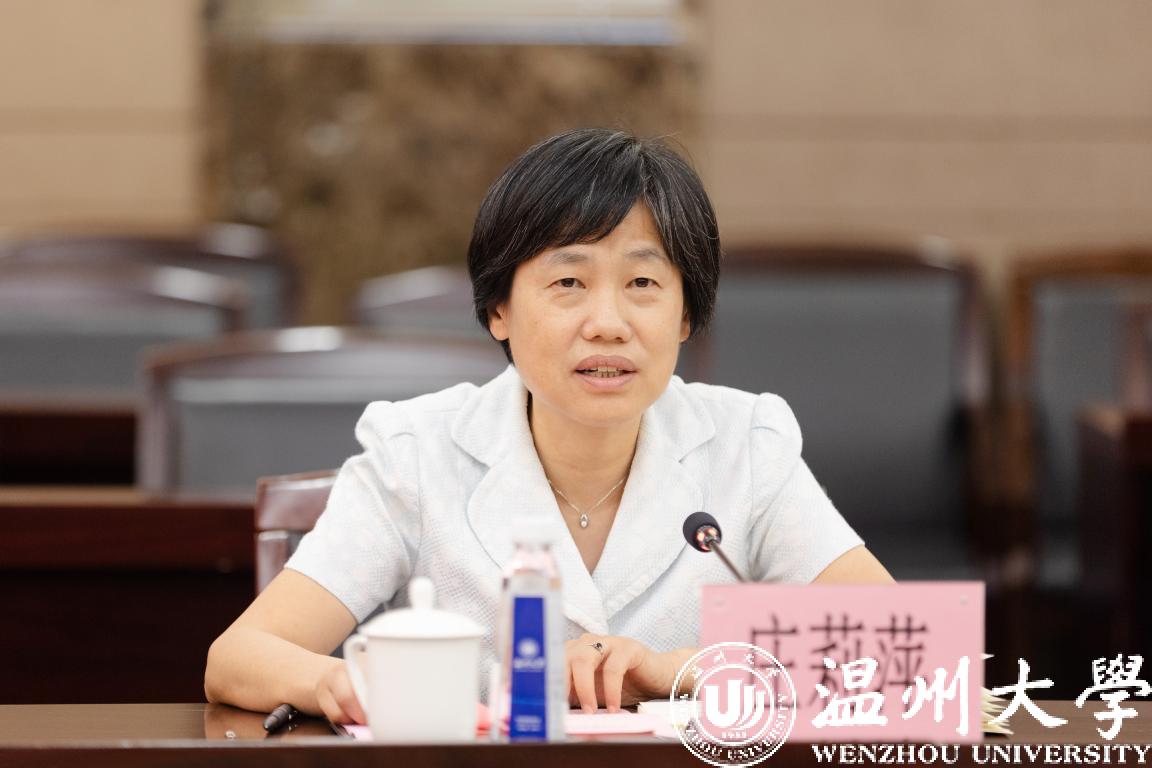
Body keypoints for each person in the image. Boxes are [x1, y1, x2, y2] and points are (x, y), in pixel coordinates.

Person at [204, 128, 893, 724]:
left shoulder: (747, 444)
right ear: (498, 310)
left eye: (643, 284)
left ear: (686, 314)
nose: (608, 324)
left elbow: (894, 652)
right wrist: (348, 683)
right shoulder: (415, 452)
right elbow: (238, 658)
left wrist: (677, 670)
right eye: (569, 283)